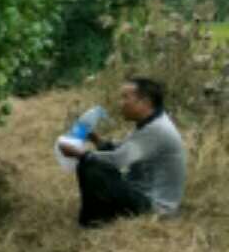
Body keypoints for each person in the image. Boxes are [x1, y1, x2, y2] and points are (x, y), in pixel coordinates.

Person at [56, 77, 186, 228]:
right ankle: (100, 218)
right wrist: (98, 140)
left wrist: (80, 154)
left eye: (126, 98)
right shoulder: (152, 123)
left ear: (145, 102)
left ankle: (93, 224)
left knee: (91, 166)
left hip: (155, 206)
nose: (121, 103)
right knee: (93, 162)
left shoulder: (156, 129)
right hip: (141, 193)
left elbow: (118, 160)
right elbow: (127, 149)